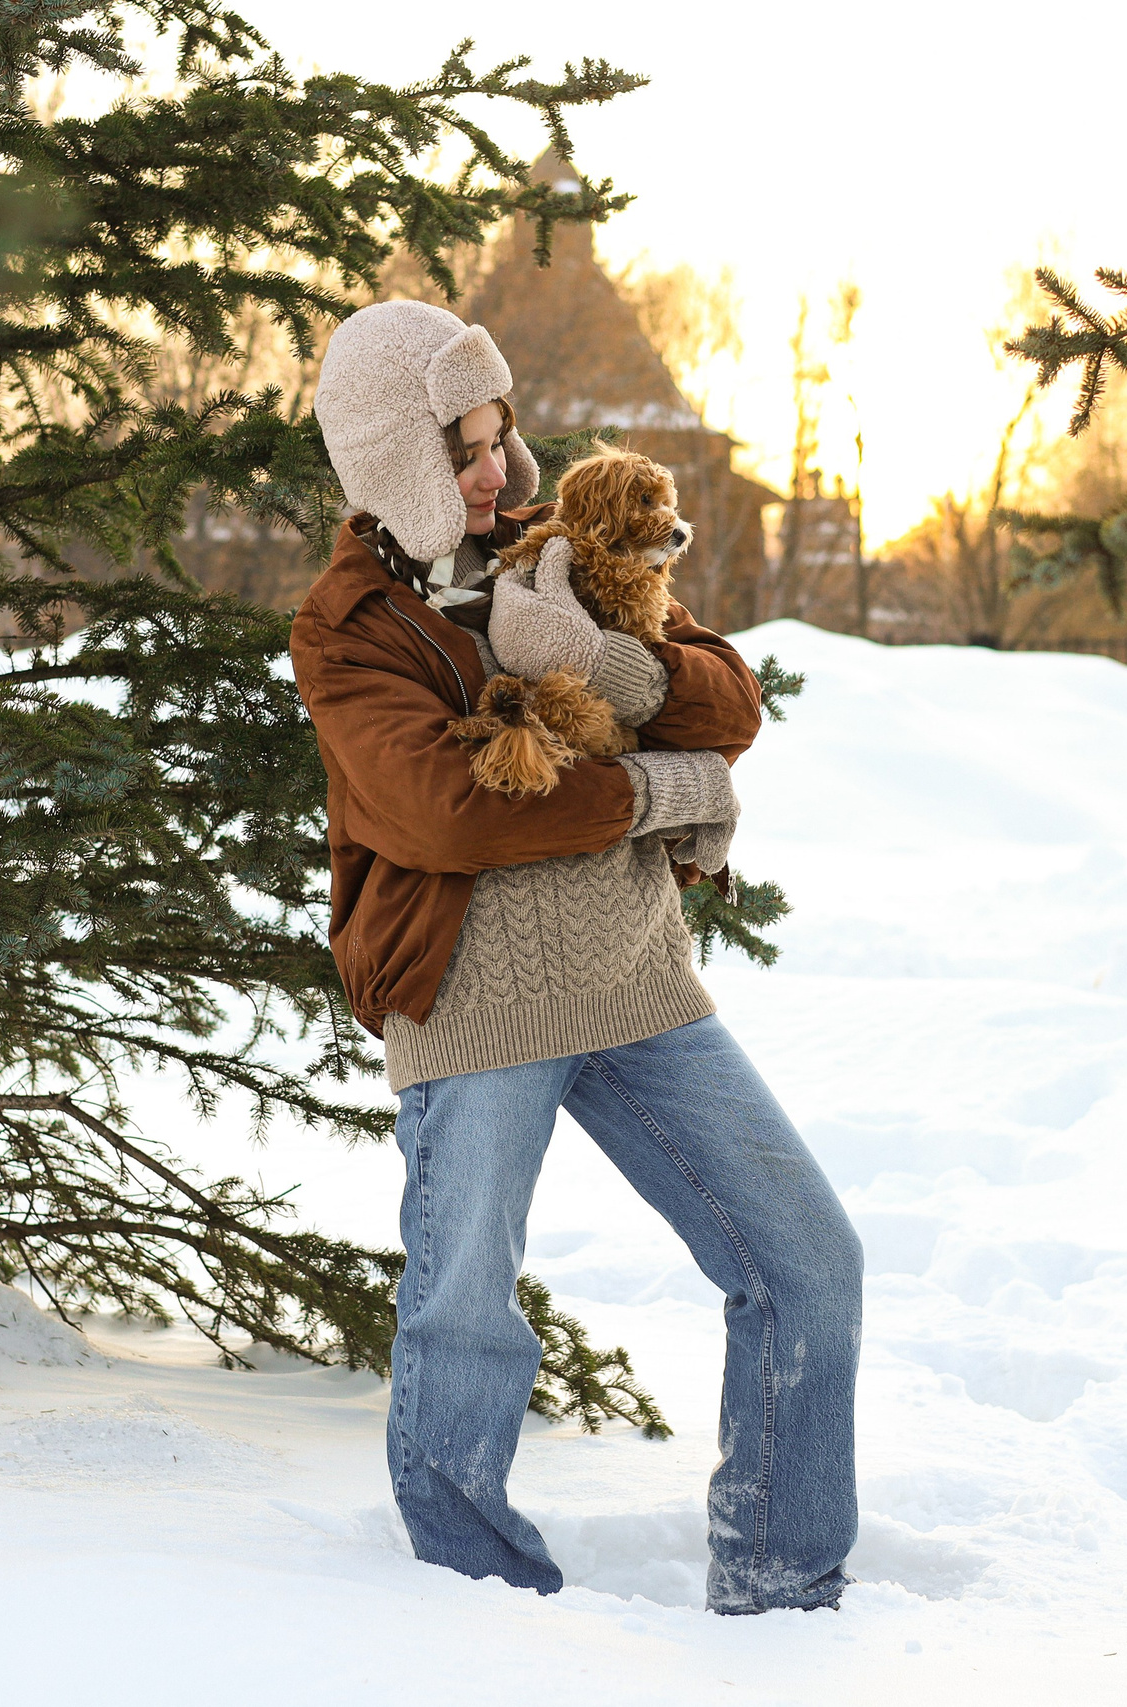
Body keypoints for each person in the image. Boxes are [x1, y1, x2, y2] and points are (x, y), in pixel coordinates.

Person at [290, 299, 863, 1615]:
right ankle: (475, 1614)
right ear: (394, 459)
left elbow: (727, 702)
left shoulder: (560, 557)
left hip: (637, 984)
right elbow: (445, 808)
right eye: (464, 449)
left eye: (500, 439)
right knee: (465, 1320)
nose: (498, 473)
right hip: (475, 1008)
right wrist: (663, 794)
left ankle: (783, 1595)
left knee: (807, 1268)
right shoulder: (351, 626)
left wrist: (610, 661)